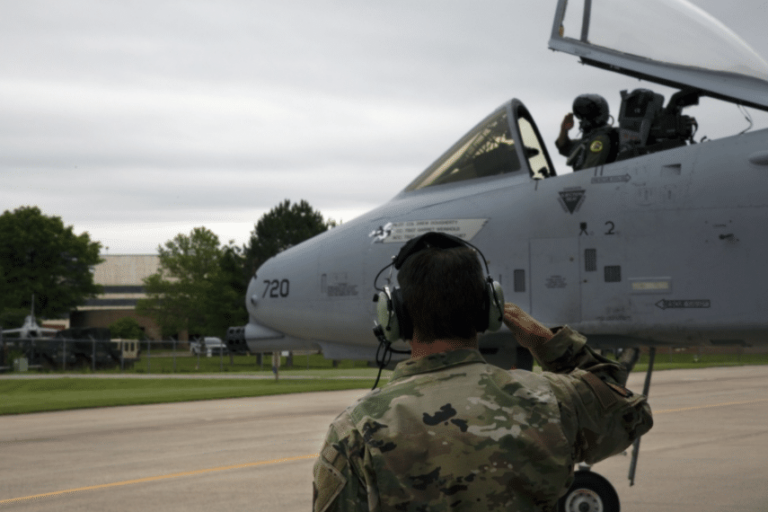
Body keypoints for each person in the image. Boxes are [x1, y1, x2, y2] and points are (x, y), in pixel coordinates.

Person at [312, 233, 653, 512]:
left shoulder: (355, 433)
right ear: (489, 308)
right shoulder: (551, 400)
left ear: (394, 316)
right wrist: (548, 342)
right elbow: (628, 410)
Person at [556, 94, 618, 171]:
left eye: (587, 115)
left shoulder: (600, 140)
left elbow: (587, 173)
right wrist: (564, 129)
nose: (583, 120)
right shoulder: (588, 140)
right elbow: (564, 147)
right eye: (581, 116)